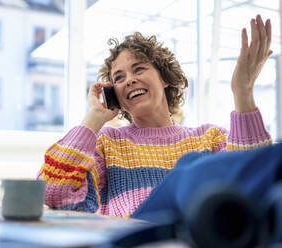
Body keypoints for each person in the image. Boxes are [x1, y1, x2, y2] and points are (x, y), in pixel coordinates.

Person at [37, 15, 273, 217]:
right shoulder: (108, 143)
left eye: (139, 69)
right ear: (114, 94)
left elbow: (254, 182)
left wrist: (243, 92)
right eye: (119, 78)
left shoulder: (208, 138)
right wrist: (94, 119)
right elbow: (53, 192)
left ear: (164, 79)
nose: (129, 79)